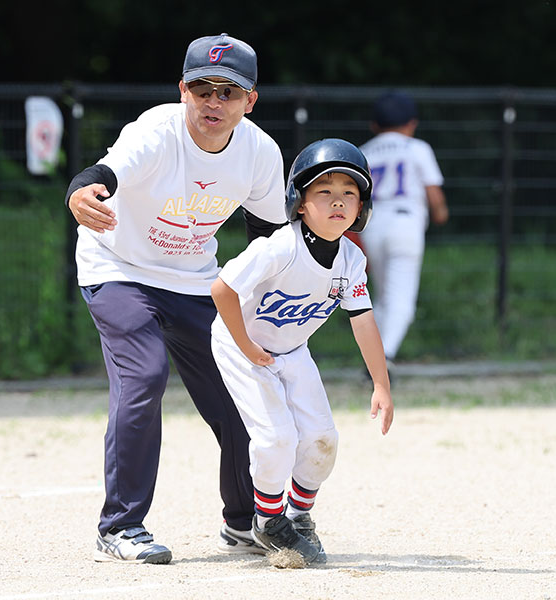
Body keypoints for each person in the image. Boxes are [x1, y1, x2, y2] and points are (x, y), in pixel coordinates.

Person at [65, 33, 288, 564]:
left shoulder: (259, 151)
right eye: (202, 89)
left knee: (241, 387)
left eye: (228, 92)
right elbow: (103, 174)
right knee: (145, 374)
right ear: (182, 90)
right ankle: (120, 526)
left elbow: (269, 237)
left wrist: (270, 308)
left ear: (250, 100)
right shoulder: (157, 132)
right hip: (118, 268)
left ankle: (244, 521)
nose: (214, 102)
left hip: (193, 279)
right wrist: (80, 191)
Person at [210, 139, 394, 565]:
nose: (338, 201)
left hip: (292, 350)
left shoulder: (351, 259)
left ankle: (297, 515)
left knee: (323, 439)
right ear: (299, 202)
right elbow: (222, 290)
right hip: (242, 346)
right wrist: (247, 347)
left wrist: (381, 385)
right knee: (277, 438)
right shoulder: (280, 246)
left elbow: (363, 320)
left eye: (349, 192)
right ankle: (268, 521)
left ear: (362, 207)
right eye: (324, 191)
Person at [359, 91, 448, 376]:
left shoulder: (364, 152)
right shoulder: (417, 148)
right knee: (402, 301)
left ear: (374, 125)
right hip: (406, 223)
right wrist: (440, 213)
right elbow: (434, 195)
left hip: (372, 225)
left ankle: (375, 357)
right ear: (412, 123)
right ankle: (383, 358)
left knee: (383, 297)